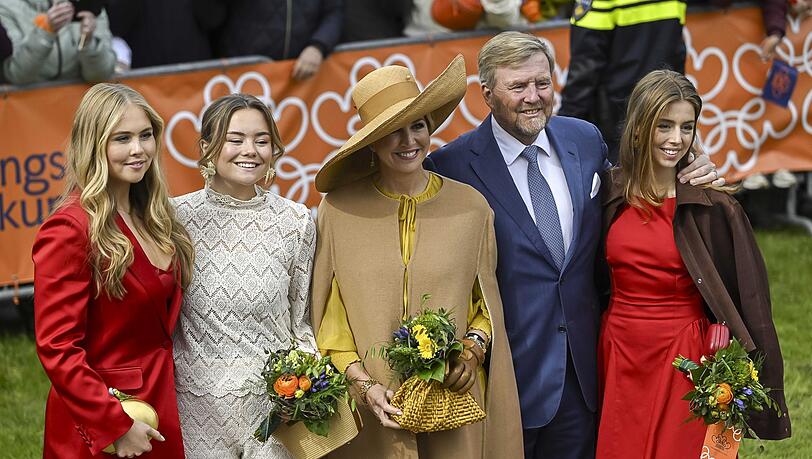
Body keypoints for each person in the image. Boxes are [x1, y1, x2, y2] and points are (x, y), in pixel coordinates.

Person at [427, 32, 723, 458]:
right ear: (487, 94)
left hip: (588, 372)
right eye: (518, 86)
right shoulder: (452, 166)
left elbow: (637, 192)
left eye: (543, 83)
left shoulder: (584, 140)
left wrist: (694, 164)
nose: (534, 97)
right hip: (507, 378)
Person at [311, 55, 523, 458]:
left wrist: (473, 349)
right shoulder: (338, 210)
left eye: (418, 126)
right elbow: (329, 320)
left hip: (455, 403)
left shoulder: (472, 207)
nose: (408, 141)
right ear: (372, 141)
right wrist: (363, 385)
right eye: (392, 131)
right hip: (371, 411)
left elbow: (485, 304)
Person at [596, 69, 791, 457]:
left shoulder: (713, 205)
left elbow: (752, 298)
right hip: (619, 349)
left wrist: (760, 380)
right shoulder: (608, 192)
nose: (676, 139)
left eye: (687, 127)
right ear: (639, 128)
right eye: (663, 125)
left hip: (685, 354)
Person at [32, 83, 195, 458]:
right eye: (122, 138)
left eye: (145, 135)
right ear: (94, 145)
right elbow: (57, 347)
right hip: (104, 423)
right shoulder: (70, 228)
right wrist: (114, 425)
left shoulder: (153, 215)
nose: (138, 150)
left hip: (162, 405)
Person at [172, 93, 318, 458]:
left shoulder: (296, 222)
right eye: (234, 139)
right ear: (207, 148)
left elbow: (302, 321)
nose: (249, 150)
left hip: (274, 410)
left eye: (262, 140)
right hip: (196, 408)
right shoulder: (174, 219)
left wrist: (304, 388)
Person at [558, 0, 687, 163]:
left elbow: (585, 69)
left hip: (616, 122)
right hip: (663, 110)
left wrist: (563, 130)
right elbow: (678, 55)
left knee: (618, 184)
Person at [212, 0, 342, 81]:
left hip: (301, 77)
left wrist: (317, 46)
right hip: (245, 73)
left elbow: (334, 11)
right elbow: (212, 14)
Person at [0, 0, 115, 85]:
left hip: (83, 108)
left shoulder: (89, 5)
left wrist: (87, 41)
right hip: (25, 108)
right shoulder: (6, 6)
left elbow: (100, 75)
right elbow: (18, 76)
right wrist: (45, 32)